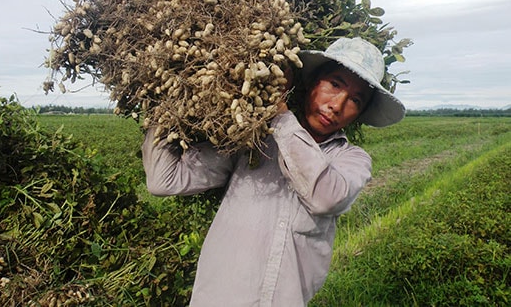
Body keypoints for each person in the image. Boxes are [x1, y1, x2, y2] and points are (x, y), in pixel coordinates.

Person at [142, 37, 405, 306]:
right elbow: (165, 180)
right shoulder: (253, 139)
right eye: (335, 84)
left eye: (355, 101)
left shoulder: (351, 160)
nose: (337, 105)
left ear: (359, 114)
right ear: (312, 81)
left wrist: (280, 114)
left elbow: (324, 197)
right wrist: (168, 102)